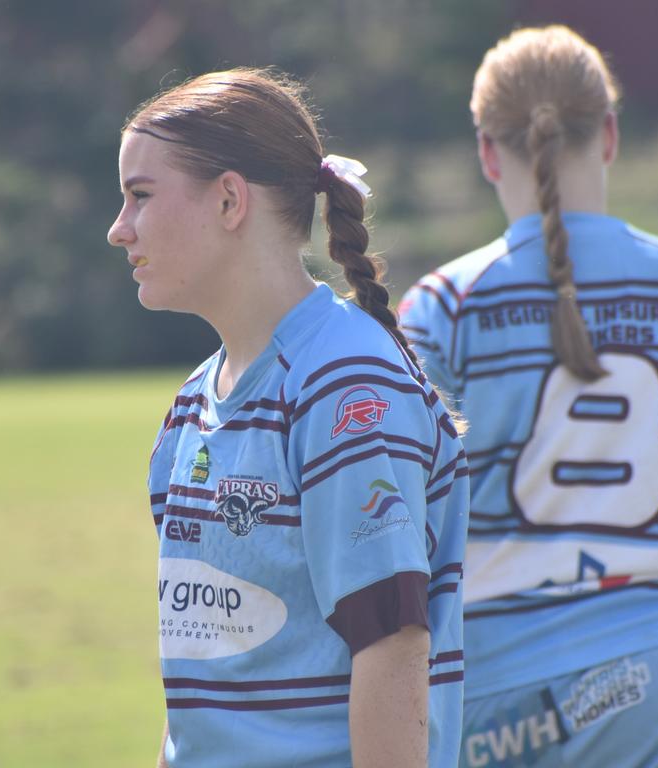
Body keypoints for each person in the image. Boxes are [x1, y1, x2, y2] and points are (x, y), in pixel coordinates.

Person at [399, 26, 658, 768]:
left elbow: (403, 543)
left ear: (488, 151)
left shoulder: (440, 309)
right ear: (610, 134)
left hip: (497, 700)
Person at [107, 67, 469, 768]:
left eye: (140, 196)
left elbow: (392, 647)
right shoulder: (193, 404)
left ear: (229, 200)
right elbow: (201, 683)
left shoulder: (344, 385)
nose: (119, 229)